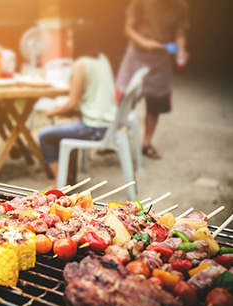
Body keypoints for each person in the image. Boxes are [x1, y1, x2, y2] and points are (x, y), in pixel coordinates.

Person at [38, 20, 117, 187]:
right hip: (109, 123)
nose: (68, 42)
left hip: (94, 128)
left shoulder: (81, 64)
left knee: (44, 134)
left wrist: (51, 112)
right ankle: (65, 178)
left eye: (71, 38)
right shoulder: (102, 58)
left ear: (81, 40)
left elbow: (72, 103)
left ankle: (59, 183)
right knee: (61, 128)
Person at [116, 0, 189, 159]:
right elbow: (128, 28)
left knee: (155, 103)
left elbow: (180, 35)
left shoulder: (180, 6)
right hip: (136, 53)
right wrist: (144, 43)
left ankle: (146, 143)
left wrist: (181, 53)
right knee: (124, 101)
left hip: (161, 58)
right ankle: (114, 140)